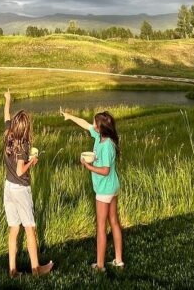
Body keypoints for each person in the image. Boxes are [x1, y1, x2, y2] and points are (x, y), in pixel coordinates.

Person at [61, 108, 124, 270]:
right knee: (114, 222)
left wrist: (88, 166)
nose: (93, 124)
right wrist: (70, 116)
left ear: (100, 127)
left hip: (104, 190)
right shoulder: (101, 137)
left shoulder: (107, 146)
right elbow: (84, 124)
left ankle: (100, 265)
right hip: (112, 187)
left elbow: (105, 170)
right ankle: (118, 260)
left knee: (101, 227)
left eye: (95, 122)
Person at [2, 89, 53, 278]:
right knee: (30, 228)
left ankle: (13, 270)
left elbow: (6, 115)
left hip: (8, 187)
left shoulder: (7, 134)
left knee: (14, 228)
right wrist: (33, 161)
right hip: (20, 189)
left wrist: (8, 99)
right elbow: (20, 170)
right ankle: (36, 269)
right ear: (26, 128)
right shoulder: (23, 146)